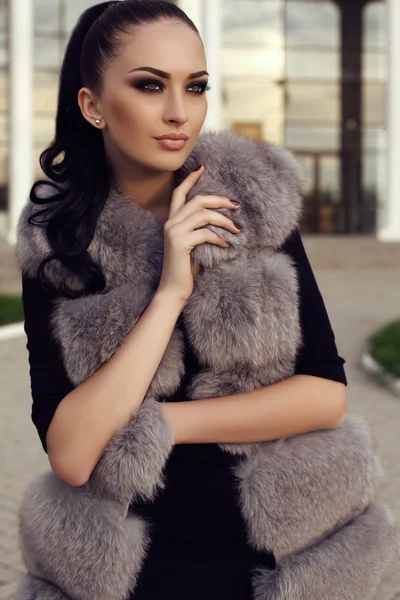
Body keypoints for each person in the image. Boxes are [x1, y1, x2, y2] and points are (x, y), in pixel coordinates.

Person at [20, 1, 348, 599]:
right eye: (150, 85)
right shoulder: (59, 240)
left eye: (195, 87)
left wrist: (162, 424)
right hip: (127, 568)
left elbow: (325, 394)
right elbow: (70, 451)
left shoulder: (248, 202)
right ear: (93, 106)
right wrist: (170, 292)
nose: (179, 113)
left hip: (271, 559)